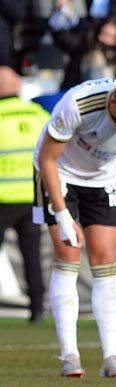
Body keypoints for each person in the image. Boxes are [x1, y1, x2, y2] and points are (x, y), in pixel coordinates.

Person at [35, 70, 116, 378]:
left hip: (102, 179)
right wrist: (63, 214)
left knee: (105, 258)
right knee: (67, 254)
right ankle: (69, 355)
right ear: (115, 102)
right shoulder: (78, 103)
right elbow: (46, 158)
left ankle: (112, 357)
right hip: (59, 174)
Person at [0, 67, 50, 322]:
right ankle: (37, 309)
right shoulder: (38, 114)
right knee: (32, 257)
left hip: (3, 198)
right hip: (32, 197)